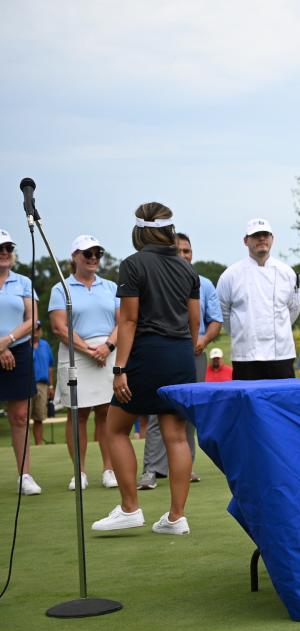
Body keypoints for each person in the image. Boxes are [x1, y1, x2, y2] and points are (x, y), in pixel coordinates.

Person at [91, 202, 200, 535]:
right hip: (181, 355)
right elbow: (194, 320)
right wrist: (183, 350)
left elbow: (129, 319)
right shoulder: (187, 268)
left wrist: (119, 368)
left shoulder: (133, 264)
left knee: (115, 428)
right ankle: (176, 517)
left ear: (140, 230)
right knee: (176, 436)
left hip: (146, 356)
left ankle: (129, 508)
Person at [138, 232, 223, 490]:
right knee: (157, 412)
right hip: (162, 353)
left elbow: (215, 321)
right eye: (178, 251)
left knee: (188, 412)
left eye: (187, 251)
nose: (184, 255)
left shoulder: (205, 284)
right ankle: (151, 470)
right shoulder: (158, 280)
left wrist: (203, 341)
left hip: (194, 353)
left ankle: (184, 469)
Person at [49, 234, 120, 490]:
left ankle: (109, 469)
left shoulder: (111, 287)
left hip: (107, 351)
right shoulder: (62, 288)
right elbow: (59, 327)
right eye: (87, 254)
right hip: (76, 352)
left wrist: (108, 346)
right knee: (77, 414)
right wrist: (89, 350)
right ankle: (79, 472)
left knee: (106, 412)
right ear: (75, 257)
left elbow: (122, 322)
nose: (93, 258)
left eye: (97, 254)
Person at [217, 218, 300, 380]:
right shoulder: (230, 275)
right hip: (245, 355)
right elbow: (223, 313)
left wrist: (279, 328)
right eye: (256, 235)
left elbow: (294, 308)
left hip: (281, 354)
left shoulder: (287, 273)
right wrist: (242, 331)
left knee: (281, 402)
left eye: (265, 235)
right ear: (246, 240)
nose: (261, 239)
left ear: (272, 238)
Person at [1, 229, 42, 495]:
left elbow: (33, 319)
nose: (4, 252)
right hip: (5, 349)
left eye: (8, 248)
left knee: (19, 416)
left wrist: (7, 341)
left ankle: (24, 475)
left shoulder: (23, 282)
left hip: (18, 351)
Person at [31, 324, 55, 445]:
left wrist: (51, 385)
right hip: (26, 383)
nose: (35, 331)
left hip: (42, 384)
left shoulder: (45, 345)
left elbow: (51, 366)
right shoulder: (23, 345)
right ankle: (23, 445)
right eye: (33, 329)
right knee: (23, 417)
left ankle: (38, 445)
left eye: (38, 329)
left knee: (39, 417)